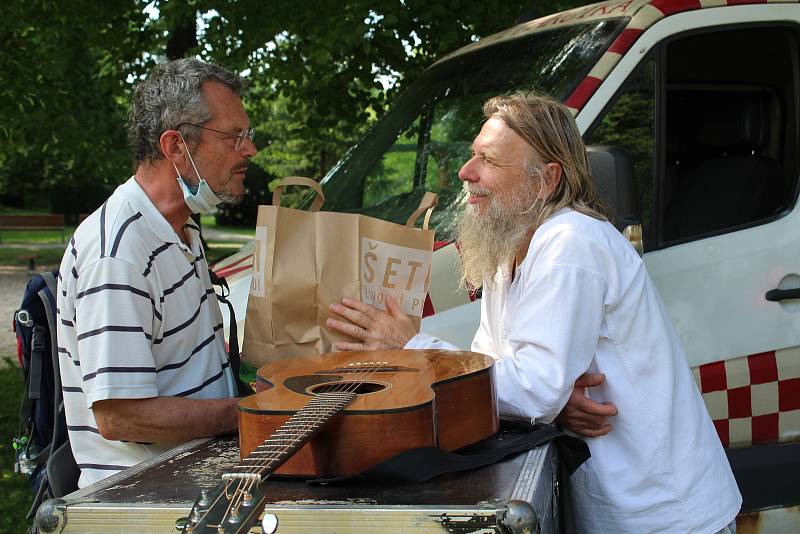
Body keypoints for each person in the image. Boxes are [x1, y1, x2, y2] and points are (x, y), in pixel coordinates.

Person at [327, 92, 742, 533]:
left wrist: (411, 347)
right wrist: (555, 402)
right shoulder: (510, 247)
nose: (467, 174)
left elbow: (530, 388)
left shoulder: (570, 242)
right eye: (473, 156)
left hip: (666, 517)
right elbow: (500, 376)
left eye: (488, 161)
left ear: (545, 180)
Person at [57, 58, 257, 488]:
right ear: (175, 147)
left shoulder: (178, 225)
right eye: (234, 136)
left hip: (196, 482)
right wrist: (253, 413)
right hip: (143, 501)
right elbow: (120, 415)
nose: (249, 150)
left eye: (248, 135)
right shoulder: (118, 253)